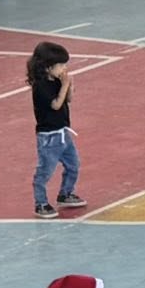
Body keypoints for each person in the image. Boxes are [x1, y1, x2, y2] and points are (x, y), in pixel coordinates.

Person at [27, 41, 87, 219]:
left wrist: (69, 86)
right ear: (47, 67)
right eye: (60, 65)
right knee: (45, 171)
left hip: (63, 132)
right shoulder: (40, 86)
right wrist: (65, 85)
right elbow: (56, 104)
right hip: (49, 137)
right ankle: (41, 203)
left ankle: (65, 193)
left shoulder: (56, 80)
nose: (63, 69)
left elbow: (67, 100)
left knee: (73, 164)